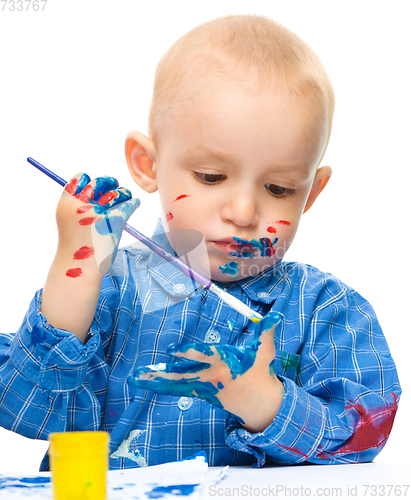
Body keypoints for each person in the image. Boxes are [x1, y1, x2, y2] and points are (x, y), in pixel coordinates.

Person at [0, 15, 401, 470]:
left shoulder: (328, 309)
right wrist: (75, 267)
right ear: (147, 165)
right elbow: (28, 409)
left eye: (279, 189)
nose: (244, 214)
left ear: (311, 192)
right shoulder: (112, 287)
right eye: (211, 177)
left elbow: (367, 435)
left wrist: (265, 402)